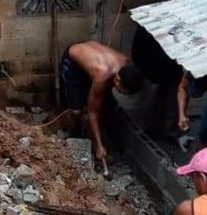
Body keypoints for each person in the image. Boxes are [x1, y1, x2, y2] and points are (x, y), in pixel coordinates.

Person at [59, 41, 144, 175]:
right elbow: (92, 112)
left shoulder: (126, 66)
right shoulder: (103, 77)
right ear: (117, 80)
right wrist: (98, 145)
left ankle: (93, 136)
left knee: (106, 107)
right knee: (76, 111)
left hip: (92, 57)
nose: (123, 95)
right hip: (73, 60)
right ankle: (73, 134)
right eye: (124, 91)